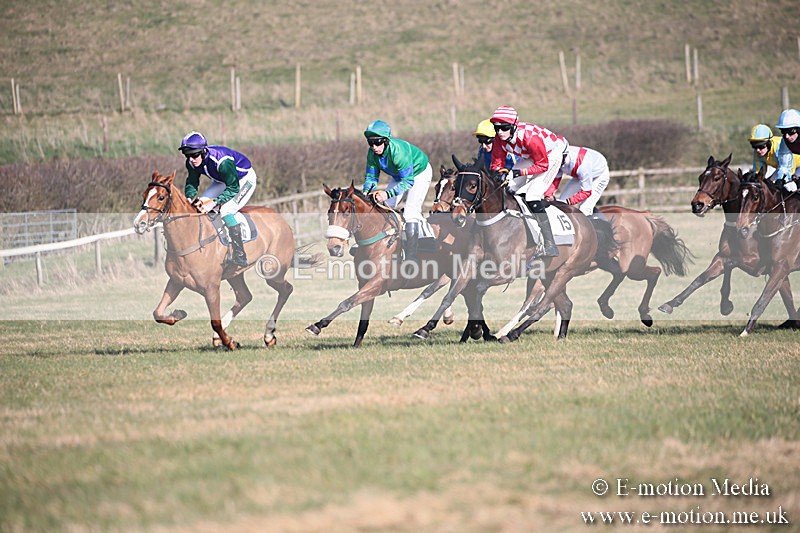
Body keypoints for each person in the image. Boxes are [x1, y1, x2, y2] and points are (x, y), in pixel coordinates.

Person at [489, 105, 569, 258]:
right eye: (496, 128)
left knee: (532, 195)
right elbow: (497, 161)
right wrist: (498, 172)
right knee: (509, 188)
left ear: (513, 126)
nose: (500, 132)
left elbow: (542, 165)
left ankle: (549, 242)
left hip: (550, 157)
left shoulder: (529, 137)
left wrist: (518, 172)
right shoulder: (500, 138)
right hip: (530, 157)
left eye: (504, 127)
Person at [178, 131, 257, 267]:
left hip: (243, 180)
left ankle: (240, 254)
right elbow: (192, 181)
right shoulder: (191, 162)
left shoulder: (222, 161)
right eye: (187, 155)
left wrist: (214, 202)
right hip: (221, 180)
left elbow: (233, 188)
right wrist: (189, 198)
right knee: (199, 205)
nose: (191, 159)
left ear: (203, 151)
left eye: (194, 154)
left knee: (226, 210)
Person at [362, 120, 432, 263]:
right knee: (384, 208)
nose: (374, 147)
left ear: (386, 141)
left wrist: (387, 193)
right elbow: (371, 177)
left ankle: (413, 257)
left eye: (378, 142)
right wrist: (365, 194)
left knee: (410, 212)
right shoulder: (372, 153)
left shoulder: (398, 152)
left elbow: (408, 181)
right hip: (399, 176)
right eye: (371, 143)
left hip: (419, 173)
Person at [545, 145, 610, 217]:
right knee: (562, 202)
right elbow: (555, 179)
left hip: (599, 176)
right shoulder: (559, 159)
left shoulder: (582, 168)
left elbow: (586, 192)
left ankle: (598, 225)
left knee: (585, 209)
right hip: (581, 172)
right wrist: (549, 195)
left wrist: (569, 201)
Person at [774, 109, 800, 193]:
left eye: (790, 132)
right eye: (783, 131)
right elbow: (784, 165)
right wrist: (780, 179)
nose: (787, 136)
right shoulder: (784, 142)